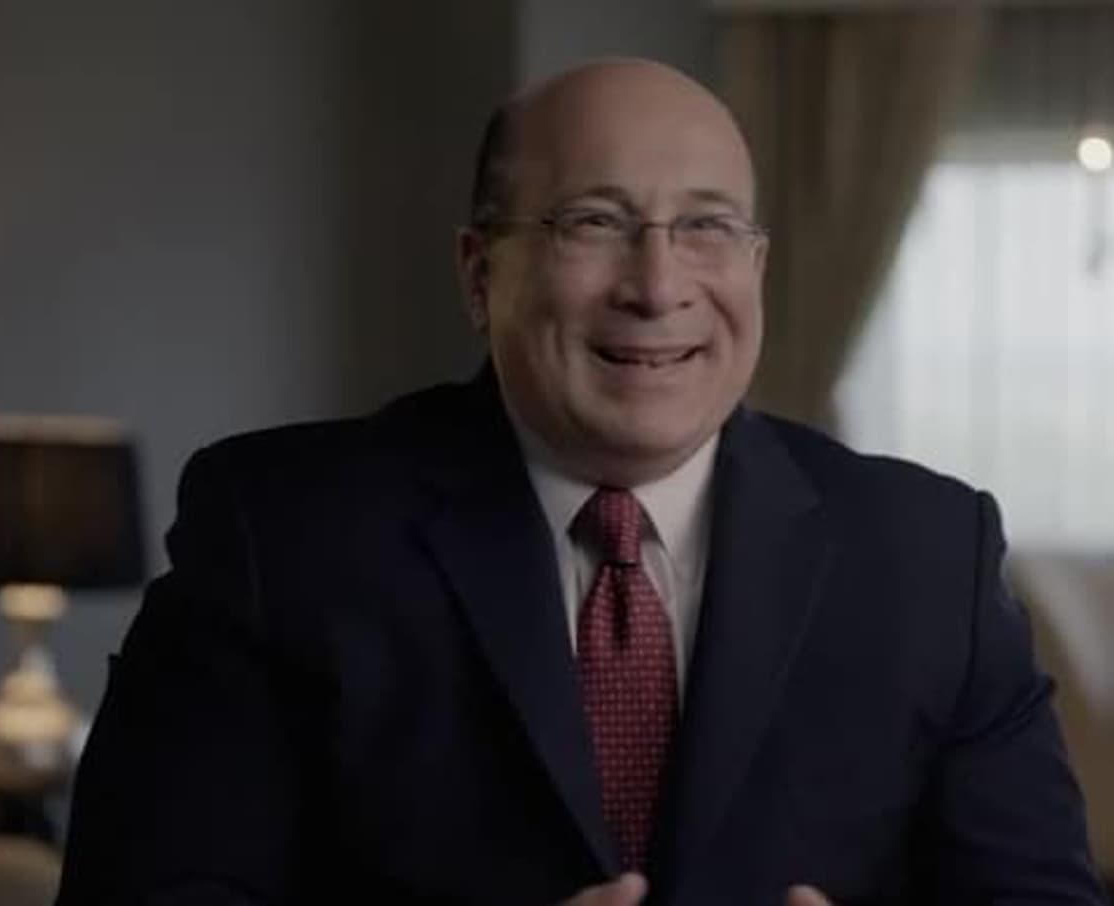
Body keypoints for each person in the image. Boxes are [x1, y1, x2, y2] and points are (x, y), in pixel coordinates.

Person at [57, 58, 1106, 904]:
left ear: (757, 268)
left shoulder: (930, 552)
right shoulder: (277, 532)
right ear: (480, 274)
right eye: (595, 223)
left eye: (706, 226)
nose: (658, 286)